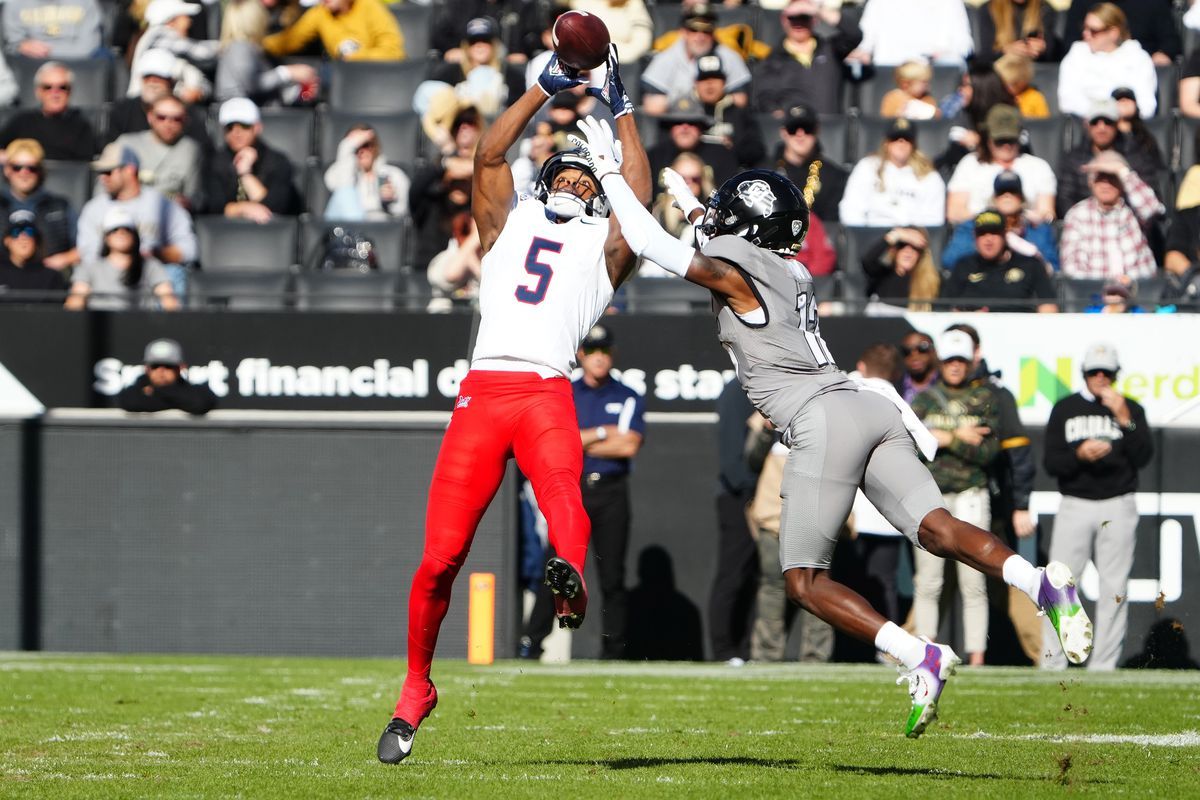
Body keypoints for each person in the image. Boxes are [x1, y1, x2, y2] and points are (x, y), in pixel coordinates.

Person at [573, 116, 1092, 736]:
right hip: (865, 403)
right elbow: (717, 232)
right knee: (938, 527)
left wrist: (609, 173)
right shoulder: (788, 268)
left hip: (818, 418)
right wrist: (691, 203)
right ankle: (1039, 584)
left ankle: (918, 655)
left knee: (803, 582)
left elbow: (655, 244)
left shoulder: (738, 267)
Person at [376, 46, 651, 764]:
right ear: (543, 182)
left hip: (544, 389)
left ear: (598, 194)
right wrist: (540, 89)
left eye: (581, 172)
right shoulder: (506, 227)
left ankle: (569, 587)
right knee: (438, 561)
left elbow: (640, 211)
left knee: (564, 491)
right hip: (484, 390)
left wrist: (622, 113)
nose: (568, 174)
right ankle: (416, 687)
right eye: (559, 166)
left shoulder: (602, 246)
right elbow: (490, 159)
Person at [1043, 342, 1152, 671]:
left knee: (1114, 589)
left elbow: (1143, 455)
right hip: (1075, 503)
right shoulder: (1065, 408)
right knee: (1059, 586)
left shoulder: (1131, 407)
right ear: (1084, 374)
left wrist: (1124, 418)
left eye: (1107, 372)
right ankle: (1053, 662)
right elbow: (1051, 462)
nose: (1100, 377)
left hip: (1118, 504)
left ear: (1117, 374)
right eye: (1094, 371)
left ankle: (1103, 666)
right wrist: (1079, 455)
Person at [910, 329, 1000, 667]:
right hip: (930, 498)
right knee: (928, 581)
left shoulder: (985, 399)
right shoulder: (923, 400)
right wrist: (957, 436)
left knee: (974, 582)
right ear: (940, 361)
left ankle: (977, 656)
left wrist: (944, 439)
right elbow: (913, 447)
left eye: (961, 360)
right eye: (950, 360)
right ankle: (924, 654)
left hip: (971, 495)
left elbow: (989, 453)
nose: (955, 367)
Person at [572, 323, 645, 659]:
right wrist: (603, 432)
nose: (598, 358)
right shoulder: (566, 393)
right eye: (592, 351)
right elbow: (564, 441)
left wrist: (583, 440)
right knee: (559, 568)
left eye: (604, 351)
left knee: (611, 575)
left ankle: (613, 650)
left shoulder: (627, 395)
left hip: (612, 491)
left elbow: (628, 445)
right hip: (574, 490)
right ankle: (531, 642)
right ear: (580, 355)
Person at [745, 410, 833, 663]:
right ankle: (766, 656)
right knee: (772, 587)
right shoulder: (767, 413)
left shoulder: (823, 411)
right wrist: (765, 429)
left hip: (815, 516)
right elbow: (751, 460)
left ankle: (816, 657)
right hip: (773, 518)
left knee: (816, 586)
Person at [77, 143, 197, 298]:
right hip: (108, 277)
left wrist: (157, 254)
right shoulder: (94, 208)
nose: (103, 178)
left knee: (173, 273)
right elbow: (88, 254)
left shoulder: (162, 205)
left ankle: (171, 322)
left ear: (129, 170)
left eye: (108, 172)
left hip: (152, 277)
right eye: (101, 173)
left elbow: (190, 250)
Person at [1059, 150, 1162, 282]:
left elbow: (1154, 209)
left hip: (1139, 291)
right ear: (1091, 183)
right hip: (1094, 295)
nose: (1106, 184)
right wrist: (1110, 288)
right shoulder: (1077, 214)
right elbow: (1072, 266)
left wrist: (1122, 171)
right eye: (1100, 177)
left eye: (1112, 177)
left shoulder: (1134, 209)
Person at [946, 104, 1056, 224]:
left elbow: (1047, 213)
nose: (1006, 146)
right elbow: (954, 213)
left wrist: (1017, 220)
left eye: (1011, 140)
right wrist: (991, 221)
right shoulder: (969, 164)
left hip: (1025, 233)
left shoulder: (1038, 167)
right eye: (1000, 140)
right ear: (988, 139)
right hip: (979, 233)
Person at [1056, 97, 1163, 218]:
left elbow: (1152, 200)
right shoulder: (1073, 159)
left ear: (1117, 124)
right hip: (1086, 224)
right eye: (1095, 122)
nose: (1101, 128)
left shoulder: (1137, 155)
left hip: (1128, 222)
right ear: (1087, 125)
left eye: (1108, 122)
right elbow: (1065, 199)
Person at [752, 0, 862, 116]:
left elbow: (854, 34)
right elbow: (764, 97)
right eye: (793, 18)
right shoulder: (773, 60)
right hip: (794, 127)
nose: (799, 23)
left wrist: (819, 9)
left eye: (805, 17)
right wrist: (778, 115)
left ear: (815, 19)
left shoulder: (830, 49)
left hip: (828, 127)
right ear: (784, 19)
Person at [640, 3, 751, 116]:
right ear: (683, 32)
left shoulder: (729, 57)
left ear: (713, 33)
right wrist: (691, 97)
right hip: (679, 125)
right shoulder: (665, 59)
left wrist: (717, 97)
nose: (700, 37)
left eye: (706, 31)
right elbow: (652, 107)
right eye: (694, 30)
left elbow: (741, 100)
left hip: (718, 123)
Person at [941, 209, 1058, 312]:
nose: (988, 240)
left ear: (1005, 235)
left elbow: (1049, 308)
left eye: (994, 233)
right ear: (974, 237)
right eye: (982, 234)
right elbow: (945, 308)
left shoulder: (1030, 265)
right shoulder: (963, 265)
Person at [204, 97, 301, 222]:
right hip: (226, 235)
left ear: (257, 128)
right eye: (230, 127)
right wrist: (243, 208)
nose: (236, 132)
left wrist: (245, 174)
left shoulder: (278, 161)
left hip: (268, 234)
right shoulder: (214, 161)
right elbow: (213, 208)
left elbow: (276, 207)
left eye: (244, 125)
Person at [943, 170, 1058, 273]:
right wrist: (994, 245)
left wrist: (1023, 248)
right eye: (1001, 192)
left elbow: (1054, 266)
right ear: (994, 199)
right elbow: (950, 260)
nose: (1007, 196)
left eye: (1013, 192)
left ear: (1021, 198)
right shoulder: (974, 225)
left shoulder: (1037, 228)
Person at [838, 118, 946, 228]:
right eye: (895, 138)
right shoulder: (867, 167)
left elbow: (934, 219)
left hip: (913, 239)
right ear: (886, 143)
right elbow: (851, 208)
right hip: (874, 236)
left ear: (914, 144)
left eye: (907, 139)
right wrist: (863, 239)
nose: (901, 143)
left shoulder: (929, 176)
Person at [66, 207, 180, 311]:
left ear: (135, 236)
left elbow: (169, 299)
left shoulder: (150, 266)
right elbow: (76, 301)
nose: (121, 233)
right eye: (114, 229)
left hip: (141, 326)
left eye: (127, 229)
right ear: (106, 237)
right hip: (101, 328)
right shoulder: (90, 267)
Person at [1057, 3, 1157, 119]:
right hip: (1087, 126)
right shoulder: (1076, 55)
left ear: (1113, 33)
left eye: (1093, 31)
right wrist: (1105, 112)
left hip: (1127, 127)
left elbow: (1147, 106)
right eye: (1084, 28)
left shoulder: (1138, 57)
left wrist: (1123, 112)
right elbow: (1067, 101)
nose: (1086, 34)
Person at [215, 0, 320, 105]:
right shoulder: (240, 47)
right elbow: (250, 84)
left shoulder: (250, 48)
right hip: (242, 114)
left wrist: (300, 92)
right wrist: (287, 72)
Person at [113, 95, 204, 210]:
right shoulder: (126, 143)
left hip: (169, 215)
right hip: (126, 211)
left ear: (185, 120)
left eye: (177, 119)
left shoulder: (191, 150)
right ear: (150, 117)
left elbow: (195, 196)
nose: (168, 123)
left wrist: (186, 203)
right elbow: (104, 188)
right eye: (161, 117)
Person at [0, 139, 79, 271]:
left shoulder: (59, 206)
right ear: (7, 170)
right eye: (17, 167)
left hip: (48, 282)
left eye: (31, 168)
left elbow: (84, 248)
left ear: (41, 171)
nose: (24, 173)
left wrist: (64, 259)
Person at [762, 104, 848, 224]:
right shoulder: (763, 173)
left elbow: (831, 226)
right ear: (783, 132)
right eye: (793, 128)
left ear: (817, 130)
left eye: (807, 128)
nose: (800, 134)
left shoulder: (835, 177)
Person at [0, 62, 97, 161]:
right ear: (38, 92)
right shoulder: (21, 121)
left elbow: (84, 166)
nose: (55, 93)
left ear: (70, 91)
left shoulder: (82, 126)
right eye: (47, 87)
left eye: (62, 87)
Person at [128, 0, 221, 103]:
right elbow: (203, 53)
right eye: (185, 17)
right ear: (171, 21)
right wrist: (228, 44)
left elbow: (195, 79)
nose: (190, 22)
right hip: (144, 109)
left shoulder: (167, 47)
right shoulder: (159, 38)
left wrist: (199, 92)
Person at [692, 54, 766, 171]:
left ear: (725, 82)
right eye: (704, 79)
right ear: (695, 83)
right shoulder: (686, 114)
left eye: (715, 77)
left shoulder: (740, 113)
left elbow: (757, 151)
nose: (710, 83)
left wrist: (733, 147)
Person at [263, 0, 404, 61]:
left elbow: (393, 52)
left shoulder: (369, 6)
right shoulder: (320, 13)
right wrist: (255, 43)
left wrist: (356, 57)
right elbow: (290, 40)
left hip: (377, 73)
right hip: (344, 77)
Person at [847, 0, 973, 68]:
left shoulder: (950, 3)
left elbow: (965, 46)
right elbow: (865, 43)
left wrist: (943, 54)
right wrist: (860, 54)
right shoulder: (879, 3)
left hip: (934, 75)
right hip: (890, 75)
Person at [323, 125, 411, 221]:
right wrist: (347, 147)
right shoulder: (336, 173)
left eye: (365, 145)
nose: (360, 151)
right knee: (344, 193)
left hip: (380, 228)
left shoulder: (394, 174)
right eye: (354, 148)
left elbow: (405, 213)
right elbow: (343, 191)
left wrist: (391, 203)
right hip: (346, 230)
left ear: (375, 147)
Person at [648, 96, 739, 188]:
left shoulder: (721, 155)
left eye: (692, 123)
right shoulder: (654, 157)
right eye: (678, 122)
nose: (685, 127)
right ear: (669, 127)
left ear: (702, 127)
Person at [1062, 0, 1179, 67]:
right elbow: (1071, 40)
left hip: (1138, 67)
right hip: (1092, 67)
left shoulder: (1153, 3)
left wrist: (1163, 55)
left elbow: (1170, 42)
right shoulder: (1082, 2)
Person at [117, 338, 219, 415]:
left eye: (168, 366)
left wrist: (156, 392)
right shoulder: (135, 391)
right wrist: (178, 401)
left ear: (180, 368)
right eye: (155, 366)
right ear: (147, 369)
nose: (161, 371)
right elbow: (130, 402)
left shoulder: (193, 391)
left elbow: (200, 403)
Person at [860, 226, 941, 309]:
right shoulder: (881, 274)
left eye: (915, 247)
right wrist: (897, 234)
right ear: (894, 249)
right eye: (902, 245)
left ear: (921, 254)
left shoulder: (931, 282)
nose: (908, 251)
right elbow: (868, 261)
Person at [0, 211, 68, 302]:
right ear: (7, 241)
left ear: (36, 240)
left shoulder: (51, 277)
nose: (23, 237)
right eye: (16, 232)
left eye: (29, 232)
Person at [2, 0, 104, 59]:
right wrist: (20, 46)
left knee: (103, 56)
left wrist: (51, 56)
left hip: (79, 60)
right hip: (31, 61)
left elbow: (89, 45)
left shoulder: (86, 2)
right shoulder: (14, 3)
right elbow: (12, 43)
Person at [976, 0, 1063, 66]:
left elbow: (1055, 52)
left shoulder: (1044, 8)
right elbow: (984, 56)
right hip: (1001, 75)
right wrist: (1005, 51)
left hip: (1034, 72)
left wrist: (1043, 47)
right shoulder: (989, 9)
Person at [992, 54, 1050, 118]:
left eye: (1013, 84)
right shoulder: (997, 96)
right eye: (1003, 83)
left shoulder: (1034, 97)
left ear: (1023, 81)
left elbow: (1044, 123)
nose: (1007, 87)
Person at [900, 330, 937, 403]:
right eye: (906, 351)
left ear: (934, 351)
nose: (914, 356)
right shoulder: (893, 388)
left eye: (922, 348)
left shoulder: (948, 384)